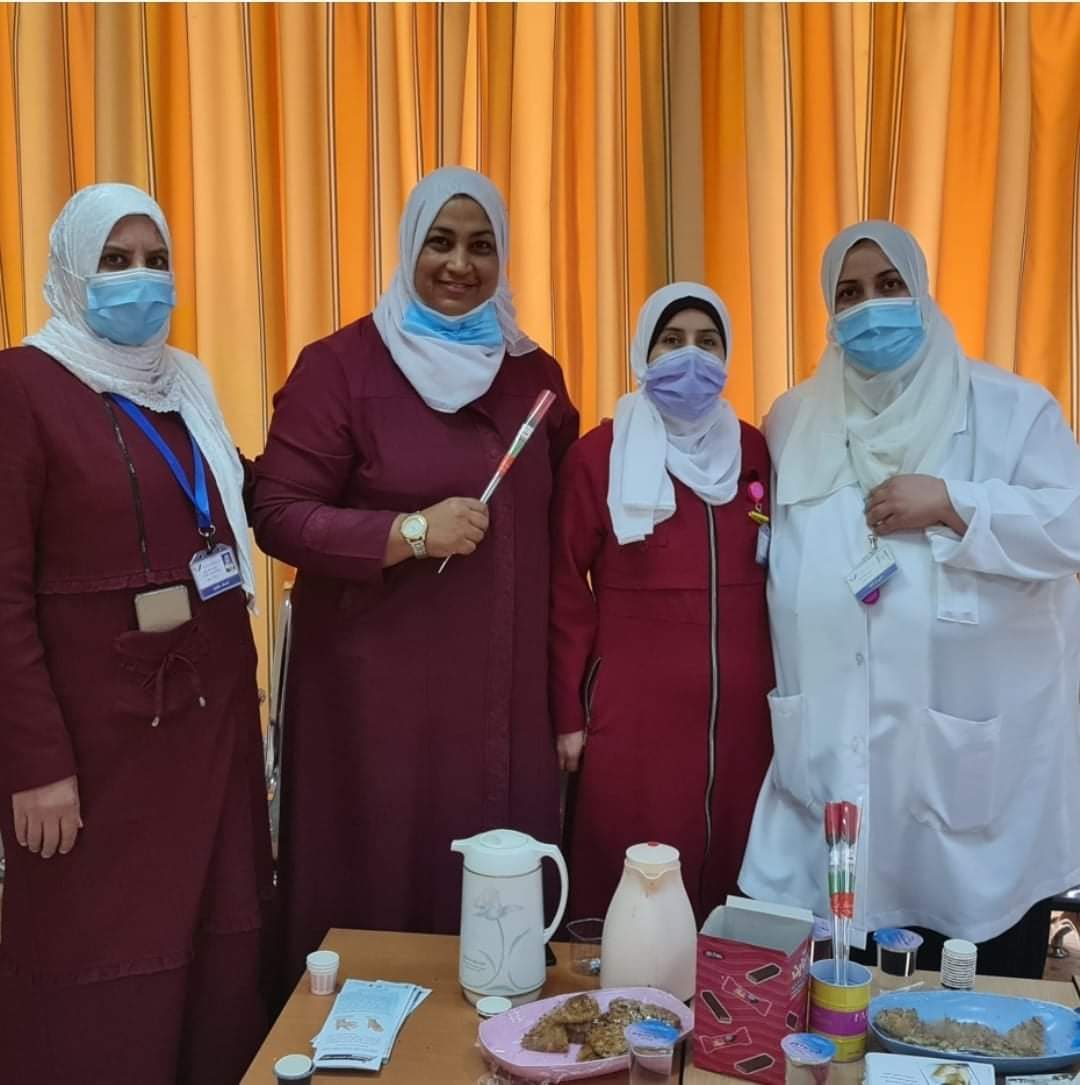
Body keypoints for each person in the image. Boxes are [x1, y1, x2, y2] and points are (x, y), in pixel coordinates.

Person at [252, 166, 579, 980]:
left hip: (503, 701)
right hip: (375, 705)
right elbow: (278, 512)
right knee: (379, 890)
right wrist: (407, 532)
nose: (459, 264)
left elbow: (564, 534)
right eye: (440, 241)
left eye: (480, 245)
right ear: (408, 248)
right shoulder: (342, 367)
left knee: (496, 917)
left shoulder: (535, 377)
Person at [739, 220, 1080, 978]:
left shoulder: (1011, 409)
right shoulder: (792, 420)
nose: (871, 308)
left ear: (921, 291)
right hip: (831, 753)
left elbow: (1071, 524)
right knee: (842, 995)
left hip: (970, 761)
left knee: (969, 998)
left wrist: (956, 502)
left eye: (889, 285)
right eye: (849, 293)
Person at [0, 184, 274, 1083]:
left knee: (216, 954)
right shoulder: (22, 387)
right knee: (101, 975)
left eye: (155, 260)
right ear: (72, 272)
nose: (141, 279)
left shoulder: (182, 385)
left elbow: (241, 501)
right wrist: (35, 764)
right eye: (115, 261)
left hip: (207, 731)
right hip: (94, 757)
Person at [549, 283, 774, 924]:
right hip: (631, 714)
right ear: (643, 353)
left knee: (737, 872)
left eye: (708, 342)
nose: (690, 357)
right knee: (630, 876)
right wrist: (568, 712)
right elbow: (564, 587)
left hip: (745, 717)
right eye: (672, 341)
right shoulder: (599, 455)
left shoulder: (754, 450)